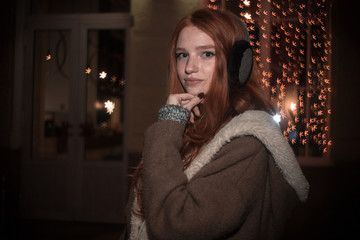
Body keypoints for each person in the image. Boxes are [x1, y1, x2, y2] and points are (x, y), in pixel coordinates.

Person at [125, 8, 309, 240]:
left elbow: (177, 225)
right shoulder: (181, 125)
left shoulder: (247, 143)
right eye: (182, 54)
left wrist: (168, 127)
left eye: (206, 54)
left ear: (237, 65)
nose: (189, 67)